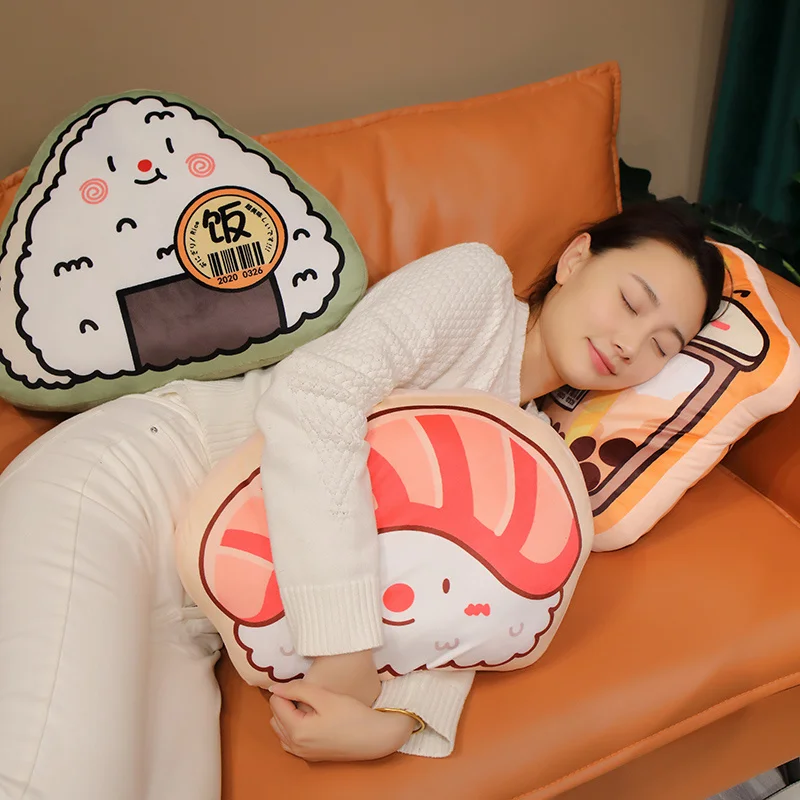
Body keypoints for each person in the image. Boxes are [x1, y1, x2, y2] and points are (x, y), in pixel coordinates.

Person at [0, 203, 726, 799]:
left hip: (201, 620)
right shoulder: (477, 288)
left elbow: (456, 608)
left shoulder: (534, 456)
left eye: (663, 345)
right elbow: (315, 395)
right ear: (575, 259)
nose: (631, 344)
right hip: (132, 487)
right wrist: (344, 648)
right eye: (631, 301)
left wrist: (397, 720)